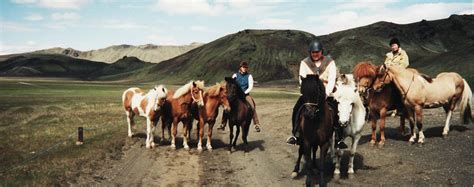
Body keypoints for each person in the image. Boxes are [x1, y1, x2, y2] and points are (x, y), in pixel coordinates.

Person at [286, 40, 348, 149]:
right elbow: (302, 80)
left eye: (317, 52)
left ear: (321, 52)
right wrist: (308, 91)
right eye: (313, 52)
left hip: (327, 92)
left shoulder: (330, 62)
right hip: (310, 93)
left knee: (338, 109)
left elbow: (332, 79)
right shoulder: (304, 63)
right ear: (310, 52)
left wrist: (326, 94)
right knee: (297, 108)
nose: (315, 54)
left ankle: (339, 139)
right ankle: (295, 134)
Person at [217, 61, 261, 132]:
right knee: (227, 106)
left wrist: (244, 93)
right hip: (235, 94)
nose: (244, 68)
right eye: (243, 67)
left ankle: (256, 123)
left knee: (252, 105)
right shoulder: (235, 75)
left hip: (245, 94)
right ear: (240, 67)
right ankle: (223, 123)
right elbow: (231, 83)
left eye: (246, 67)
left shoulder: (249, 76)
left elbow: (250, 87)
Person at [384, 37, 409, 117]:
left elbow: (405, 63)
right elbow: (385, 64)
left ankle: (401, 108)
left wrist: (393, 67)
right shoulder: (389, 55)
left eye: (394, 45)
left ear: (398, 45)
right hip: (389, 75)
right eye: (391, 46)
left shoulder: (403, 53)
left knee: (399, 90)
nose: (393, 47)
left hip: (400, 75)